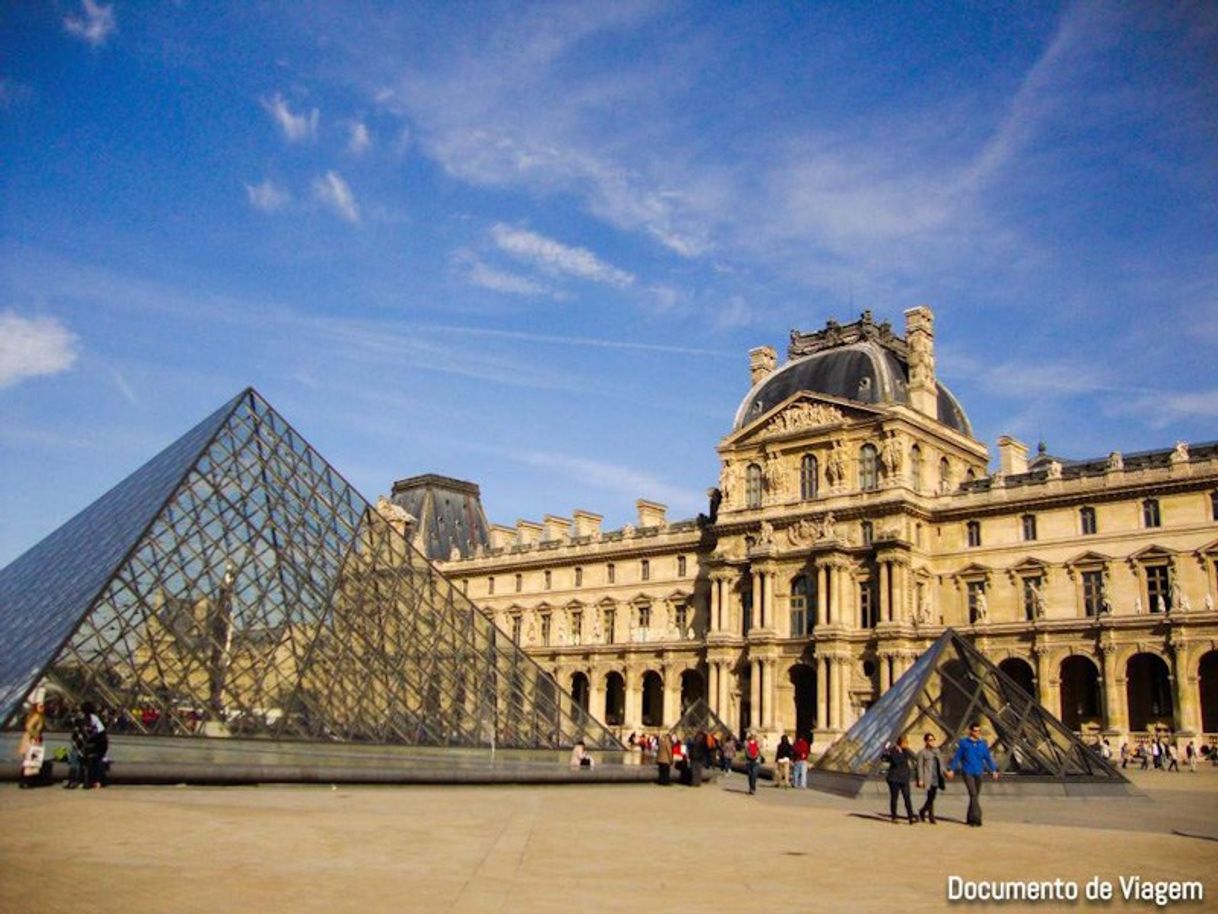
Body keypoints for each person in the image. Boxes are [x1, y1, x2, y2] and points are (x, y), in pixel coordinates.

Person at [947, 722, 998, 827]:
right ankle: (977, 819)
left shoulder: (983, 743)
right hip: (968, 772)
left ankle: (969, 818)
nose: (978, 732)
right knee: (973, 794)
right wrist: (952, 769)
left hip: (979, 772)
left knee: (974, 796)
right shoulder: (964, 743)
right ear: (971, 731)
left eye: (979, 730)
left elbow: (987, 758)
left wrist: (993, 770)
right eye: (975, 730)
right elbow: (957, 757)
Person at [882, 736, 917, 824]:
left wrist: (907, 749)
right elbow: (896, 761)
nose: (907, 745)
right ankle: (894, 816)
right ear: (900, 743)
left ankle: (910, 816)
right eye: (906, 743)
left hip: (904, 778)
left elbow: (914, 757)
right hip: (894, 778)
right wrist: (899, 752)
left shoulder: (906, 751)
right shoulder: (892, 750)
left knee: (907, 797)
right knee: (894, 798)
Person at [916, 733, 945, 824]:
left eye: (933, 739)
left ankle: (923, 811)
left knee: (932, 797)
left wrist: (946, 772)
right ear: (926, 741)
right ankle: (930, 816)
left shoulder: (937, 751)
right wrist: (920, 779)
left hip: (937, 777)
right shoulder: (922, 753)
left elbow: (941, 764)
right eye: (930, 740)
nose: (932, 742)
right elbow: (919, 767)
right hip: (928, 777)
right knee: (930, 796)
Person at [81, 701, 109, 789]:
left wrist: (89, 738)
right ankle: (97, 781)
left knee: (95, 761)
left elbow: (96, 731)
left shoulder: (91, 718)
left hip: (99, 741)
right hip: (100, 740)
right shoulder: (93, 717)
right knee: (96, 761)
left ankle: (95, 781)